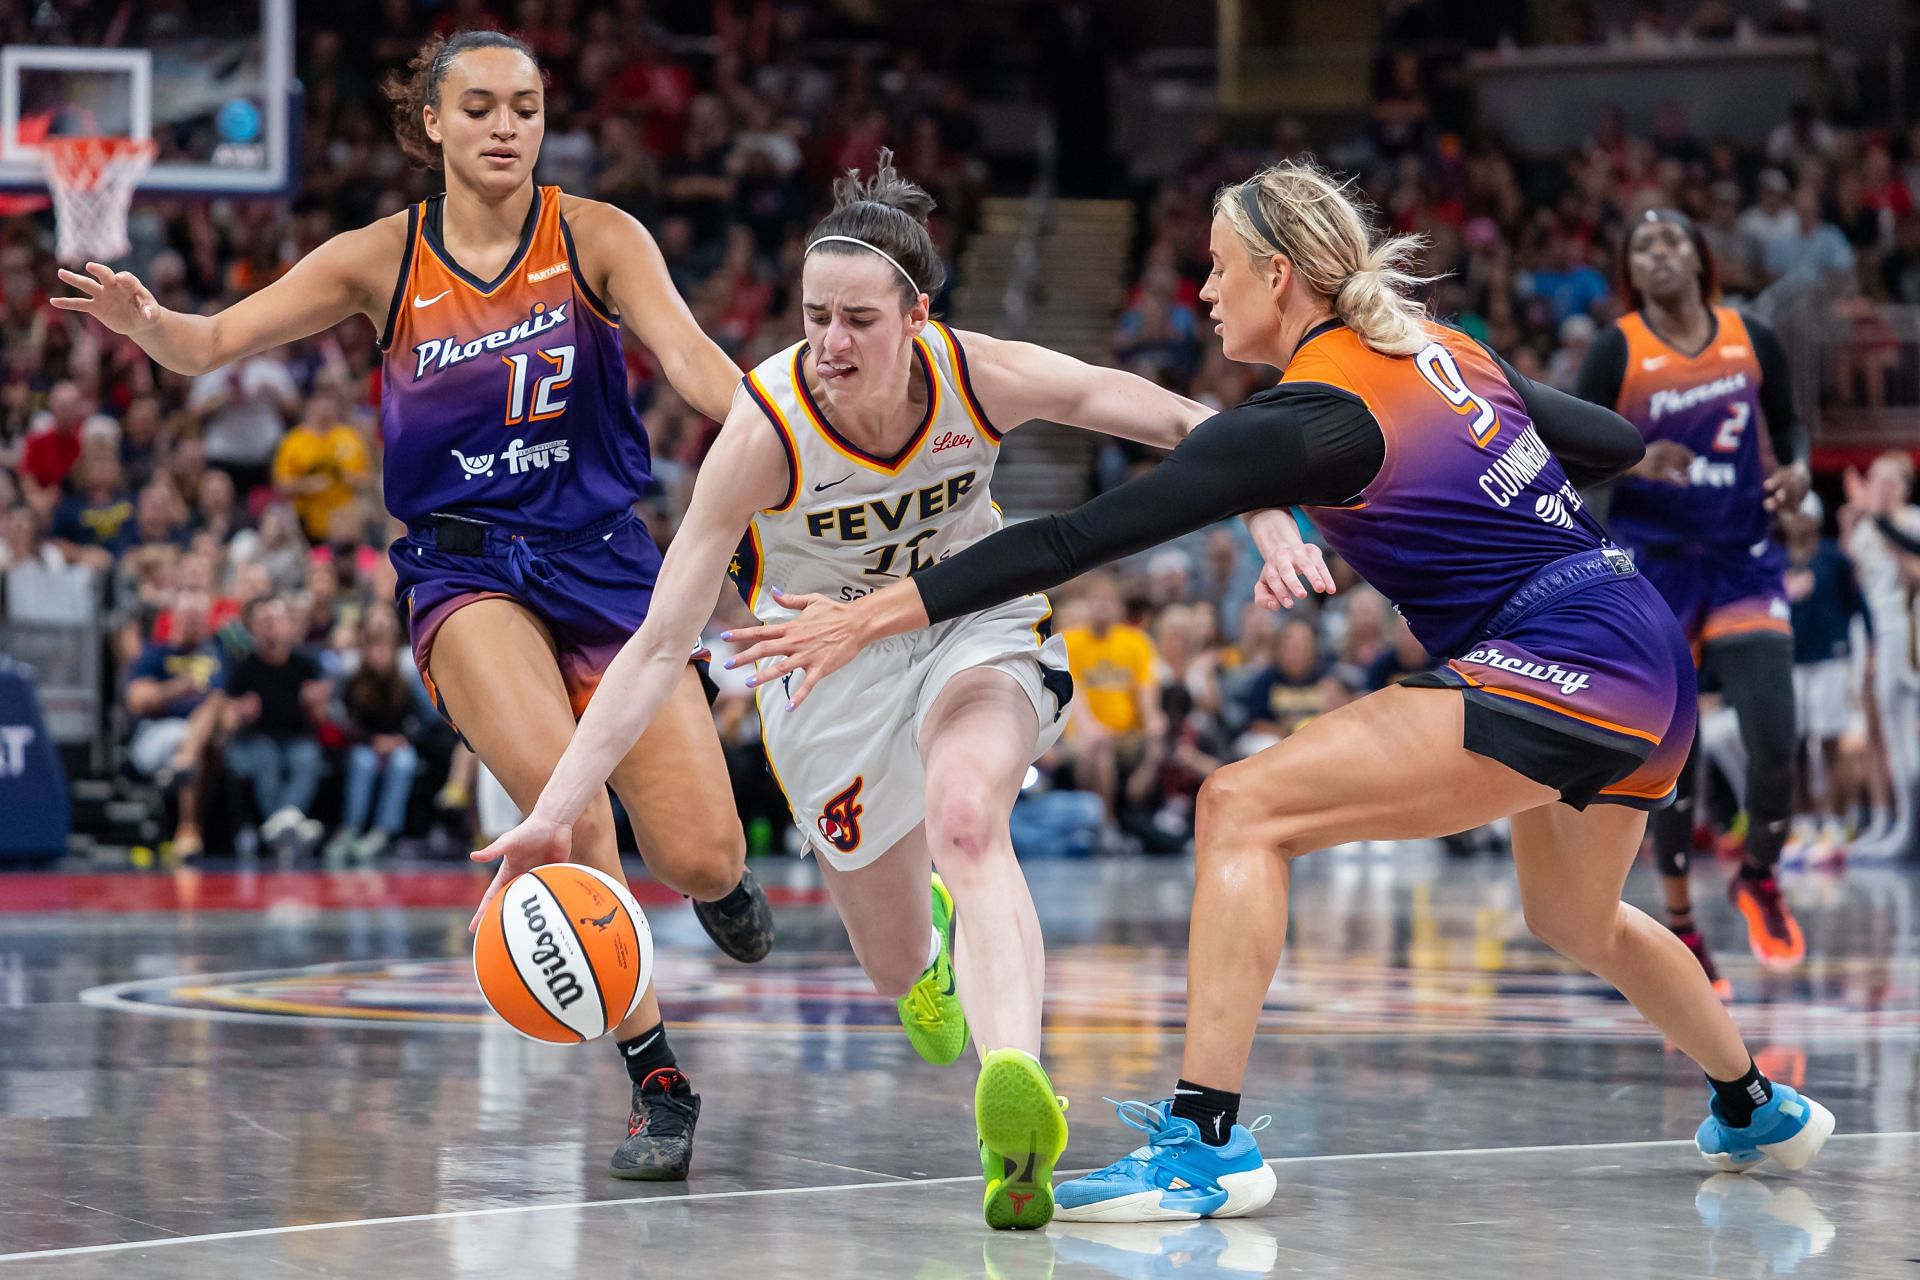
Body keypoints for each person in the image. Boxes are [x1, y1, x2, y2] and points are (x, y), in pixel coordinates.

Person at [726, 160, 1835, 1221]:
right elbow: (1617, 438)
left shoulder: (1308, 416)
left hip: (1561, 654)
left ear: (1279, 276)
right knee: (1571, 914)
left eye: (1217, 266)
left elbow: (1072, 536)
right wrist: (1484, 447)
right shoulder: (1440, 347)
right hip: (1641, 648)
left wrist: (872, 611)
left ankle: (1204, 1145)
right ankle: (1752, 1105)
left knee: (1240, 806)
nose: (1201, 289)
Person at [475, 153, 1326, 1231]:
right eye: (815, 315)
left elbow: (1165, 416)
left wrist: (1260, 507)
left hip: (966, 617)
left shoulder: (979, 374)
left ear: (917, 314)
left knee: (971, 818)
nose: (831, 342)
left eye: (859, 319)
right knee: (892, 967)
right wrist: (554, 807)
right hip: (821, 665)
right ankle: (928, 960)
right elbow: (656, 646)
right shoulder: (764, 427)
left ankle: (1015, 1096)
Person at [52, 28, 774, 1182]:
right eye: (480, 106)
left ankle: (722, 885)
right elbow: (211, 342)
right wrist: (151, 327)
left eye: (526, 107)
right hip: (466, 568)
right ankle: (658, 1077)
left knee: (697, 851)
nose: (506, 127)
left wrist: (774, 436)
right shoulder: (377, 260)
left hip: (604, 557)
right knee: (569, 815)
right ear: (429, 122)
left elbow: (693, 361)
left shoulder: (597, 236)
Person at [1575, 209, 1809, 983]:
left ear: (1700, 256)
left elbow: (1790, 427)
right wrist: (1636, 464)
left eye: (1673, 239)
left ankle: (1760, 876)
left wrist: (1798, 472)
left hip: (1743, 557)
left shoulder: (1750, 337)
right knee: (1674, 756)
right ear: (1631, 271)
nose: (1660, 253)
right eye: (1643, 246)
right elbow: (1568, 455)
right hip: (1657, 568)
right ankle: (1681, 924)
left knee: (1777, 736)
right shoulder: (1619, 350)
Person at [123, 585, 227, 861]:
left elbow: (227, 702)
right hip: (155, 734)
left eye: (199, 615)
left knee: (213, 709)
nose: (194, 621)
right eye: (188, 614)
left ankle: (186, 765)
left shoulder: (216, 656)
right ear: (175, 617)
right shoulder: (154, 654)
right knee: (189, 736)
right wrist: (176, 689)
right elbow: (136, 700)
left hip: (208, 735)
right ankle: (188, 827)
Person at [222, 595, 330, 855]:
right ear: (252, 628)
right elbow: (225, 720)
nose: (270, 627)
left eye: (275, 620)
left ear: (290, 626)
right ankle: (289, 825)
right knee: (265, 757)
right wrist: (239, 712)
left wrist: (317, 703)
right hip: (253, 743)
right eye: (263, 621)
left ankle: (279, 826)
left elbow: (323, 717)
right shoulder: (241, 667)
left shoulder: (305, 664)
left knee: (307, 757)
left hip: (296, 739)